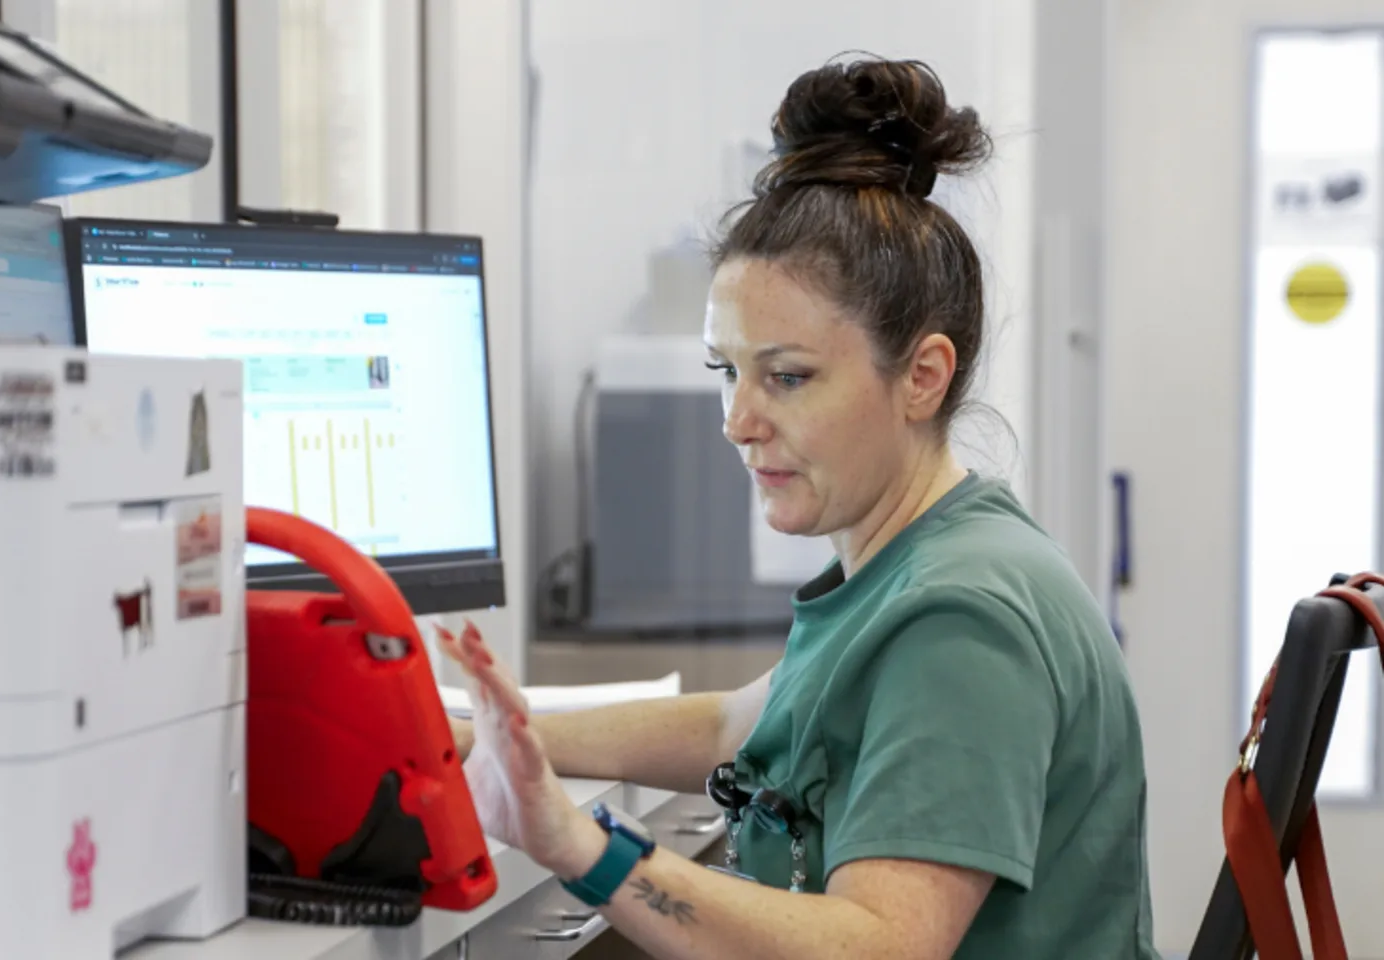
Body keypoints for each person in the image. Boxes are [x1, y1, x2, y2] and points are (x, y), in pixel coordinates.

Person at [439, 54, 1159, 960]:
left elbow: (880, 946)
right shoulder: (913, 564)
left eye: (787, 377)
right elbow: (733, 727)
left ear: (923, 377)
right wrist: (483, 736)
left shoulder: (962, 619)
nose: (739, 422)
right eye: (727, 373)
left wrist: (578, 845)